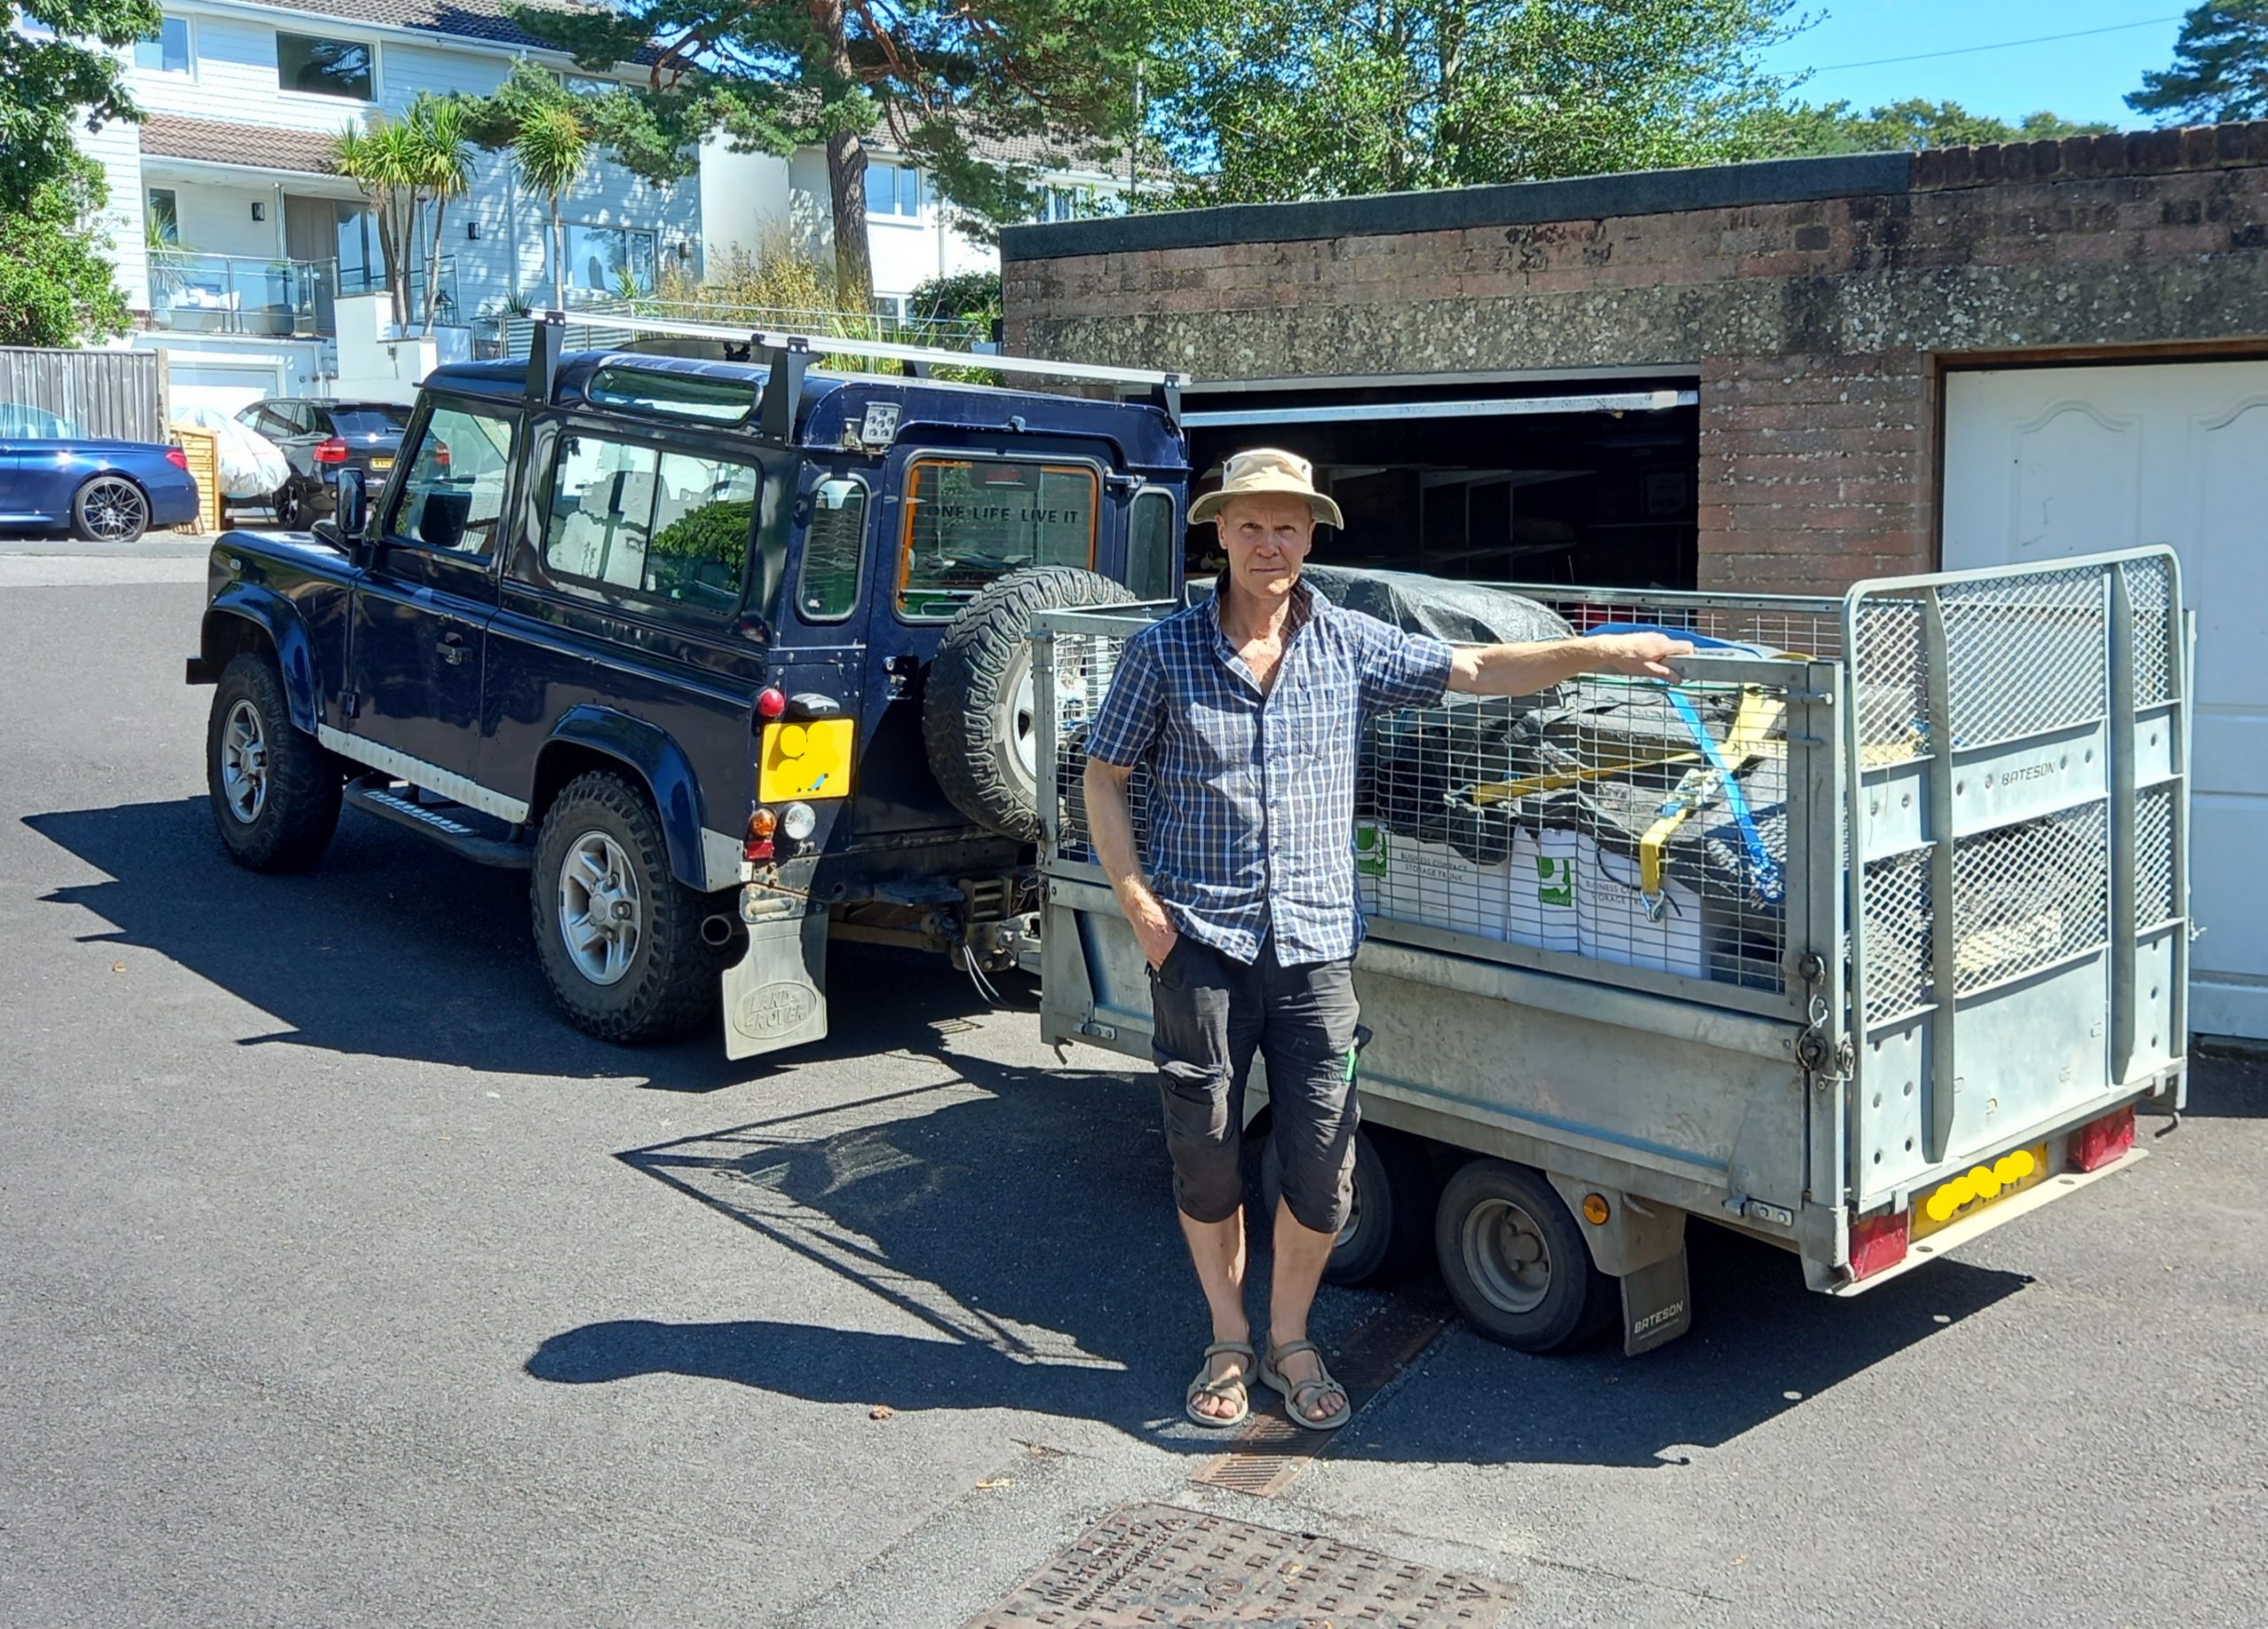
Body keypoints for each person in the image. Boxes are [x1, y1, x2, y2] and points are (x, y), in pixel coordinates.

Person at [1081, 447, 1691, 1431]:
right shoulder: (1163, 652)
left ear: (1312, 535)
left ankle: (1291, 1337)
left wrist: (1601, 653)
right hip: (1197, 942)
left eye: (1288, 525)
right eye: (1250, 524)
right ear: (1220, 532)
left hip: (1315, 948)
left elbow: (1480, 667)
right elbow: (1103, 775)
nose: (1269, 542)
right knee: (1206, 1156)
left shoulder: (1348, 644)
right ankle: (1229, 1340)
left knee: (1322, 1165)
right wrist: (1138, 904)